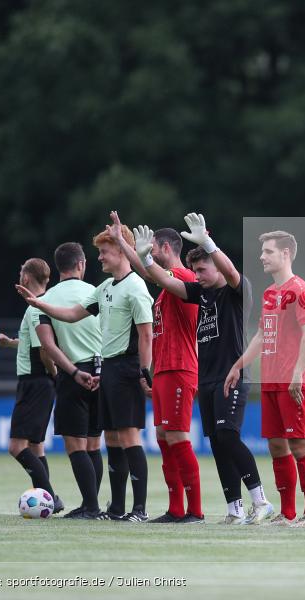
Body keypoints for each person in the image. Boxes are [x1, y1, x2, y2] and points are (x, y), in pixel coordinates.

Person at [137, 213, 273, 525]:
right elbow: (168, 281)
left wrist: (210, 244)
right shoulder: (203, 293)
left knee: (228, 436)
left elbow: (230, 271)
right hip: (207, 377)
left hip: (232, 375)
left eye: (203, 269)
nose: (198, 275)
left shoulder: (236, 290)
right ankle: (234, 509)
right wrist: (145, 258)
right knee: (216, 443)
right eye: (195, 270)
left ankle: (260, 500)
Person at [18, 223, 154, 522]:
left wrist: (145, 371)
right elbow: (72, 314)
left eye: (105, 252)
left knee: (130, 438)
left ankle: (139, 510)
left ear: (121, 252)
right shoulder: (104, 288)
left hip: (127, 366)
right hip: (107, 367)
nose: (100, 258)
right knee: (113, 440)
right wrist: (39, 303)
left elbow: (146, 334)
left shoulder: (136, 287)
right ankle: (117, 509)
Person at [109, 212, 202, 524]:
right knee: (163, 438)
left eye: (152, 248)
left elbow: (154, 275)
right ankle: (176, 509)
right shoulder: (164, 288)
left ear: (164, 247)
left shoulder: (185, 279)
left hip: (180, 368)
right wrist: (123, 242)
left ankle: (195, 510)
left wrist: (139, 254)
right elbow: (151, 275)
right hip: (163, 370)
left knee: (177, 437)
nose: (149, 253)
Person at [226, 230, 305, 527]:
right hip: (272, 381)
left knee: (301, 446)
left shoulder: (301, 290)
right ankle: (288, 513)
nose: (262, 256)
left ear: (286, 254)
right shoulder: (270, 293)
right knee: (277, 447)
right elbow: (262, 335)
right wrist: (239, 365)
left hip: (294, 383)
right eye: (263, 251)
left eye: (268, 251)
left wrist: (297, 372)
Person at [33, 242, 104, 519]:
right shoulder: (98, 292)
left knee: (76, 446)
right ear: (81, 264)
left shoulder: (46, 299)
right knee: (95, 444)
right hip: (101, 372)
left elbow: (48, 346)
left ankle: (91, 507)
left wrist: (73, 372)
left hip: (73, 373)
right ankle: (92, 504)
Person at [0, 258, 63, 513]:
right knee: (36, 445)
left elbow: (45, 351)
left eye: (20, 272)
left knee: (17, 447)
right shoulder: (40, 306)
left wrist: (54, 374)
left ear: (26, 278)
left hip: (34, 383)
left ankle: (50, 498)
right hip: (40, 383)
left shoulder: (35, 309)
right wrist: (12, 343)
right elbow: (34, 342)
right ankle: (49, 497)